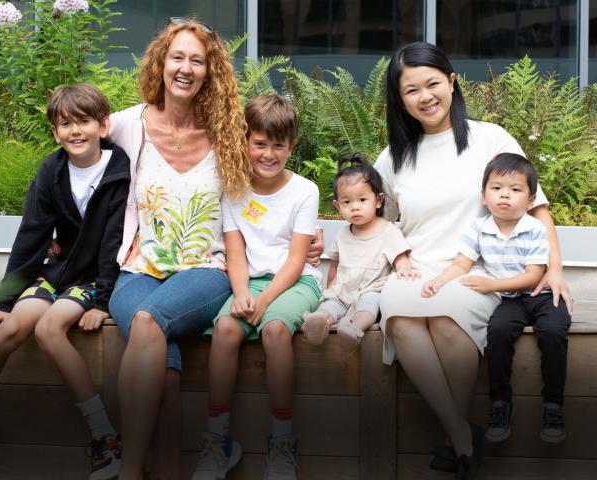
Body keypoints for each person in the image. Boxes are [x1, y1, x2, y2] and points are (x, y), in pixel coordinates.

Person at [106, 21, 325, 479]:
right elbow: (77, 163)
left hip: (204, 271)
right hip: (137, 272)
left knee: (148, 323)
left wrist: (305, 239)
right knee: (164, 370)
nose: (185, 68)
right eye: (177, 57)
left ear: (211, 71)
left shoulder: (227, 132)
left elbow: (270, 186)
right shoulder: (129, 125)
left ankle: (127, 469)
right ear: (160, 63)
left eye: (197, 60)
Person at [374, 42, 574, 480]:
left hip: (480, 270)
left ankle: (455, 440)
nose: (425, 97)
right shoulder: (392, 157)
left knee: (447, 320)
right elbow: (380, 226)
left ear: (451, 81)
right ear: (399, 98)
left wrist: (554, 270)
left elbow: (537, 210)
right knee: (402, 317)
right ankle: (462, 435)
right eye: (411, 90)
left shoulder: (491, 138)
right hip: (415, 267)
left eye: (432, 84)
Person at [0, 84, 129, 480]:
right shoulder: (52, 171)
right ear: (55, 131)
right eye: (65, 124)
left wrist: (103, 301)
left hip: (94, 279)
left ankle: (105, 436)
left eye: (84, 122)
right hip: (57, 272)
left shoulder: (119, 172)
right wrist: (4, 303)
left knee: (51, 329)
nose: (75, 131)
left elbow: (114, 240)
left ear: (103, 125)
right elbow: (32, 235)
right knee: (12, 328)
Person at [192, 94, 321, 480]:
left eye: (278, 145)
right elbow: (235, 252)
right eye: (259, 143)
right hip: (250, 279)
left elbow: (297, 261)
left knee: (276, 331)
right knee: (227, 329)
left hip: (295, 281)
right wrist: (243, 292)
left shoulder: (304, 191)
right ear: (245, 141)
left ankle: (282, 442)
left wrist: (263, 301)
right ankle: (218, 440)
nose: (268, 154)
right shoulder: (234, 189)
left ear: (291, 146)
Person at [422, 153, 571, 444]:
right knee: (498, 332)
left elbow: (533, 275)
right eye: (497, 188)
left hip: (539, 294)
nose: (505, 194)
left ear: (530, 201)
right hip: (509, 300)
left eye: (516, 190)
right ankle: (500, 403)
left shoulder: (535, 229)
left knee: (553, 331)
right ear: (483, 195)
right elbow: (461, 264)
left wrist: (491, 285)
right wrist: (438, 281)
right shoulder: (478, 229)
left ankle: (553, 404)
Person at [302, 154, 417, 351]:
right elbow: (335, 265)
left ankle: (354, 328)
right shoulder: (343, 234)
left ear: (378, 201)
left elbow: (399, 256)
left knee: (369, 308)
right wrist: (331, 287)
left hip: (372, 287)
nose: (355, 206)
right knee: (331, 304)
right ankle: (320, 321)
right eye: (346, 202)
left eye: (362, 199)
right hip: (344, 287)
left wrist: (405, 267)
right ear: (338, 206)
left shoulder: (388, 230)